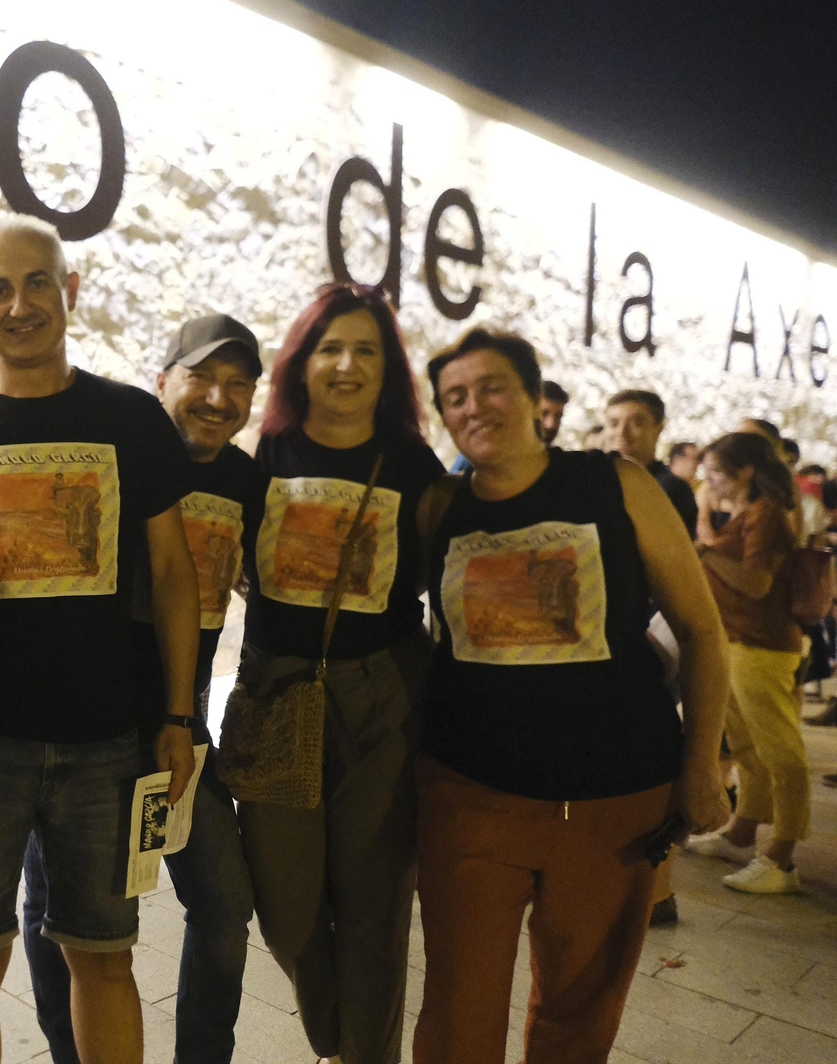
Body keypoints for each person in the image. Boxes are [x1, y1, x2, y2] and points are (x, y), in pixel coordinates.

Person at [0, 214, 201, 1064]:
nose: (19, 305)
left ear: (70, 292)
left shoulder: (132, 420)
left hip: (105, 743)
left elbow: (174, 575)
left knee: (105, 959)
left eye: (36, 284)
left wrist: (179, 715)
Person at [414, 327, 729, 1064]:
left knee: (580, 1008)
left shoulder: (616, 483)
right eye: (454, 397)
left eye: (492, 387)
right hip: (472, 792)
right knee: (460, 1001)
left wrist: (702, 766)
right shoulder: (439, 505)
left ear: (534, 398)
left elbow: (702, 632)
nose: (475, 406)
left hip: (615, 797)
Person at [18, 315, 264, 1064]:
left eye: (238, 384)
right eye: (201, 377)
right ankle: (70, 1052)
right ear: (164, 382)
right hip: (83, 731)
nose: (219, 398)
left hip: (181, 732)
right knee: (57, 914)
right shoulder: (115, 448)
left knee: (225, 906)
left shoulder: (245, 479)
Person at [236, 282, 444, 1064]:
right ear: (302, 363)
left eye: (366, 349)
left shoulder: (417, 468)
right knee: (286, 909)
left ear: (388, 369)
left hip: (382, 696)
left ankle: (363, 1056)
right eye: (330, 348)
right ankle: (337, 1035)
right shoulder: (267, 456)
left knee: (374, 911)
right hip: (275, 693)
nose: (347, 365)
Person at [684, 432, 809, 894]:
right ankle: (742, 831)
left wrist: (707, 552)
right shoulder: (746, 513)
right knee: (747, 748)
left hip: (764, 646)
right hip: (737, 641)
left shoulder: (766, 514)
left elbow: (757, 585)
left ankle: (782, 857)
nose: (709, 480)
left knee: (780, 752)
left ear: (747, 472)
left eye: (717, 471)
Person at [603, 389, 699, 537]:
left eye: (636, 423)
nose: (621, 432)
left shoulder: (668, 489)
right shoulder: (596, 481)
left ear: (658, 428)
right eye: (614, 424)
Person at [449, 378, 563, 473]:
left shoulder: (557, 466)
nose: (551, 425)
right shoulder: (483, 451)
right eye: (544, 414)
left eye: (558, 416)